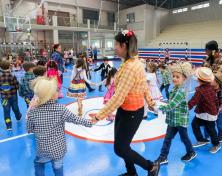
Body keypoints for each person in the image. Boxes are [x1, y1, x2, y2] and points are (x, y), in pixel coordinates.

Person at [90, 30, 160, 176]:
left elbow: (118, 97)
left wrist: (99, 116)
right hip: (125, 110)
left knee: (120, 149)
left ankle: (151, 167)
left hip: (132, 113)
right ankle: (131, 172)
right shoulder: (132, 62)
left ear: (124, 45)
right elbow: (143, 85)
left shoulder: (130, 67)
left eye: (116, 44)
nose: (114, 47)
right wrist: (150, 101)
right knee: (123, 146)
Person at [27, 76, 93, 176]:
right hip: (58, 149)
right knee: (58, 167)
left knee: (38, 164)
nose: (58, 91)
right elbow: (76, 119)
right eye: (57, 90)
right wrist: (91, 122)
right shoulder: (60, 109)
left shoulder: (32, 111)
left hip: (42, 148)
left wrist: (30, 110)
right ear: (52, 95)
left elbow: (29, 129)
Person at [154, 62, 196, 165]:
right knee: (167, 138)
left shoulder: (180, 92)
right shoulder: (174, 89)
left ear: (184, 79)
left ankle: (191, 152)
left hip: (180, 120)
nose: (174, 78)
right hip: (173, 119)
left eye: (178, 77)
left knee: (184, 138)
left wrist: (157, 107)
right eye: (173, 76)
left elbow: (170, 106)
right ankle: (163, 157)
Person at [188, 67, 220, 154]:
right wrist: (217, 109)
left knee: (210, 129)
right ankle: (201, 140)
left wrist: (184, 108)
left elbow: (193, 101)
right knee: (196, 124)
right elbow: (216, 100)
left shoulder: (200, 90)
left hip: (208, 113)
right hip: (206, 111)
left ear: (198, 79)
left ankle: (216, 144)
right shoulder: (211, 87)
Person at [204, 72, 222, 142]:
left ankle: (220, 135)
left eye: (213, 79)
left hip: (219, 112)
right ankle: (206, 138)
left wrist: (216, 111)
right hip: (209, 111)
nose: (210, 80)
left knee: (219, 125)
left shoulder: (221, 92)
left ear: (218, 82)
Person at [0, 60, 22, 130]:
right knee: (15, 107)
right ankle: (18, 117)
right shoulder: (13, 76)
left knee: (6, 111)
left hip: (4, 97)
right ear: (9, 67)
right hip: (13, 96)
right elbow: (17, 86)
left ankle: (8, 126)